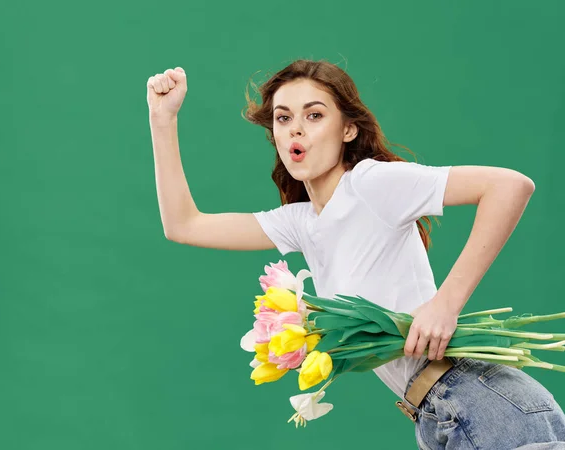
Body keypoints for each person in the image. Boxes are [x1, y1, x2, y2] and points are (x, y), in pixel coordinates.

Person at [146, 59, 565, 449]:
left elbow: (510, 186)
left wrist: (446, 304)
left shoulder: (370, 184)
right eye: (283, 118)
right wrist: (162, 120)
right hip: (438, 413)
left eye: (314, 115)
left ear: (347, 129)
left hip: (482, 402)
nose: (295, 129)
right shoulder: (302, 222)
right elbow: (184, 226)